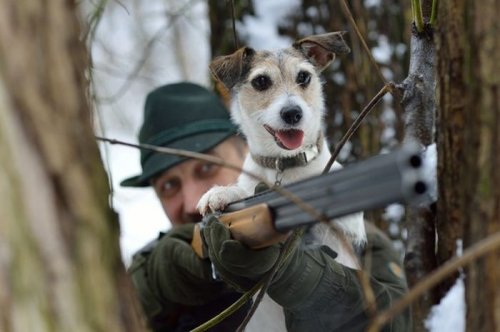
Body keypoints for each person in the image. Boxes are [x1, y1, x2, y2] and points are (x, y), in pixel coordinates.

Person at [122, 82, 411, 331]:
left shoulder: (356, 239)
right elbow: (130, 300)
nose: (191, 201)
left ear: (247, 150)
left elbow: (398, 323)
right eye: (169, 186)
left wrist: (296, 274)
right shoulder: (150, 267)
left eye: (207, 167)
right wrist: (183, 267)